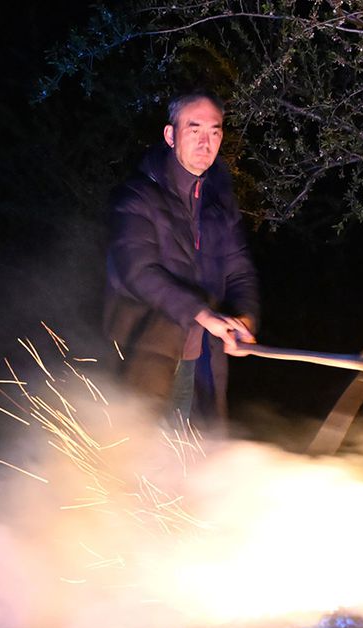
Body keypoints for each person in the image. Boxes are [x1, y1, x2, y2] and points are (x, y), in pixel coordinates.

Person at [104, 91, 260, 426]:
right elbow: (139, 272)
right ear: (170, 135)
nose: (206, 142)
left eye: (215, 131)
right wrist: (203, 314)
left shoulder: (219, 204)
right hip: (141, 352)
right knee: (134, 446)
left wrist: (245, 319)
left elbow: (239, 269)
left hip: (200, 357)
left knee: (191, 449)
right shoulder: (137, 197)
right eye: (194, 129)